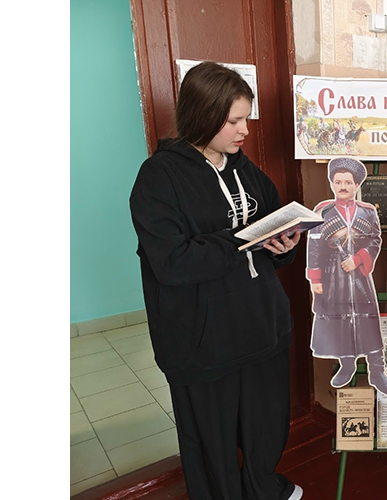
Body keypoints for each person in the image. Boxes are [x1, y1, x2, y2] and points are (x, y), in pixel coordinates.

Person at [129, 61, 304, 500]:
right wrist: (243, 240)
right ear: (202, 115)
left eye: (246, 118)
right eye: (233, 121)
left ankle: (263, 488)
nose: (244, 130)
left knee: (265, 424)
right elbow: (172, 262)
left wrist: (283, 244)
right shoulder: (158, 177)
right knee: (212, 439)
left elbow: (271, 229)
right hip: (203, 339)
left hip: (261, 324)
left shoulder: (246, 170)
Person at [307, 157, 387, 397]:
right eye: (338, 182)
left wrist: (358, 259)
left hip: (360, 277)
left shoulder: (368, 212)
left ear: (356, 184)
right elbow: (314, 245)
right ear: (332, 183)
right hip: (332, 276)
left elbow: (375, 240)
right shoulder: (322, 211)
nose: (343, 187)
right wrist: (315, 279)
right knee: (340, 319)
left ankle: (377, 372)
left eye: (348, 182)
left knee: (368, 320)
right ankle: (346, 365)